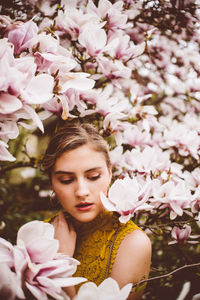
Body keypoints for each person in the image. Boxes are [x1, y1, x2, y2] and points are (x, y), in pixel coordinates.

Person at [42, 120, 152, 300]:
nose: (82, 191)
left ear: (110, 173)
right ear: (52, 182)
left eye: (93, 177)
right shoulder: (42, 232)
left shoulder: (132, 244)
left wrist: (61, 264)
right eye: (66, 180)